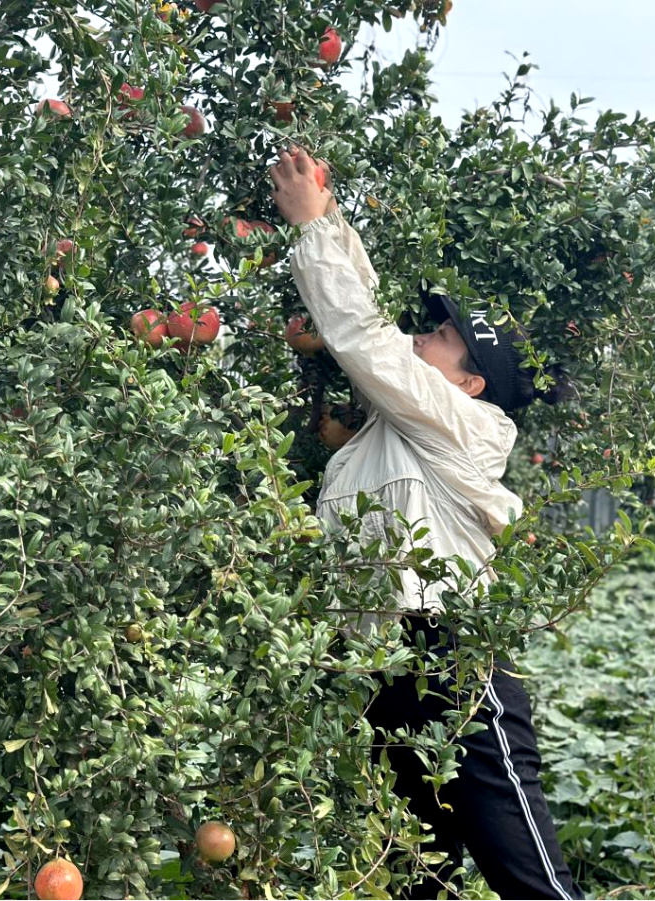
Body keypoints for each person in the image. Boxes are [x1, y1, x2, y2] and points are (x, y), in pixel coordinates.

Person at [270, 146, 583, 900]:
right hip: (382, 666)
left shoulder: (467, 425)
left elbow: (367, 342)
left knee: (531, 879)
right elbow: (374, 332)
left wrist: (312, 231)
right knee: (414, 876)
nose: (424, 334)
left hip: (452, 662)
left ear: (471, 381)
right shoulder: (399, 424)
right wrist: (333, 220)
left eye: (443, 336)